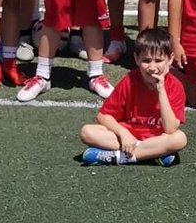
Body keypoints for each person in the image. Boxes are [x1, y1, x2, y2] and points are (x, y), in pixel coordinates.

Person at [79, 27, 187, 166]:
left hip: (156, 138)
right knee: (87, 132)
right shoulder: (129, 81)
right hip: (128, 137)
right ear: (137, 59)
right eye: (146, 60)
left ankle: (120, 157)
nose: (152, 67)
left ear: (170, 59)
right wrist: (123, 132)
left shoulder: (175, 86)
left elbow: (170, 129)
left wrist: (161, 90)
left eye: (158, 60)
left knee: (179, 139)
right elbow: (103, 116)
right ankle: (152, 154)